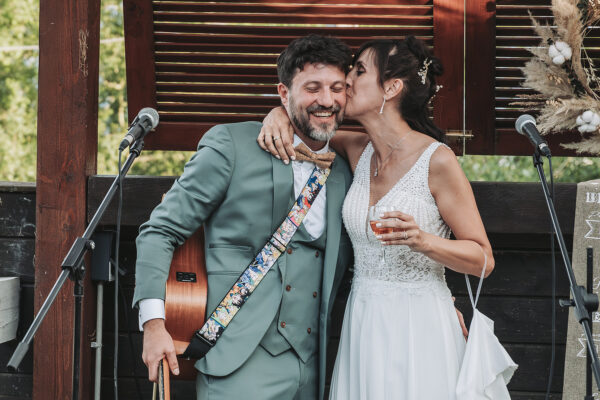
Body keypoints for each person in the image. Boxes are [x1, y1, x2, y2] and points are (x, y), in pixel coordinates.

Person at [258, 36, 495, 399]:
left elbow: (483, 259)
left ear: (392, 87)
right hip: (364, 319)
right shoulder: (357, 149)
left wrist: (424, 241)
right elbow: (307, 124)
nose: (346, 81)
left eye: (359, 70)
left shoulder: (438, 160)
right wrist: (279, 112)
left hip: (421, 324)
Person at [133, 34, 355, 400]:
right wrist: (153, 325)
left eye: (336, 88)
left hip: (315, 366)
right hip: (237, 358)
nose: (327, 100)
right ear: (283, 94)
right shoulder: (232, 145)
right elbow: (159, 231)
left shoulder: (347, 171)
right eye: (312, 88)